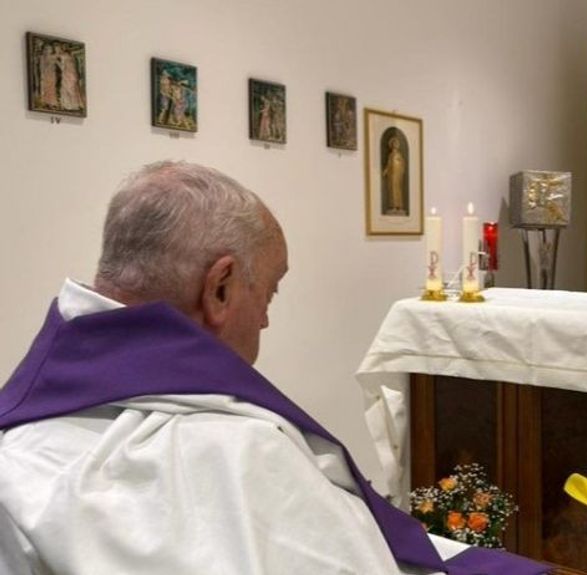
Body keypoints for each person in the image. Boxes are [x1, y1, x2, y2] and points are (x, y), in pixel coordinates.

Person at [0, 161, 548, 575]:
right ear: (219, 287)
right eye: (270, 291)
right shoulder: (241, 453)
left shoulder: (18, 441)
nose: (264, 318)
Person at [382, 135, 407, 215]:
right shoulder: (390, 155)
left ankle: (399, 206)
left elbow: (402, 164)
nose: (394, 145)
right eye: (393, 143)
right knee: (392, 190)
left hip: (397, 174)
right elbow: (388, 165)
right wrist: (385, 171)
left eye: (396, 143)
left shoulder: (399, 155)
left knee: (397, 189)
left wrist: (400, 169)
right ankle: (393, 206)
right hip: (391, 175)